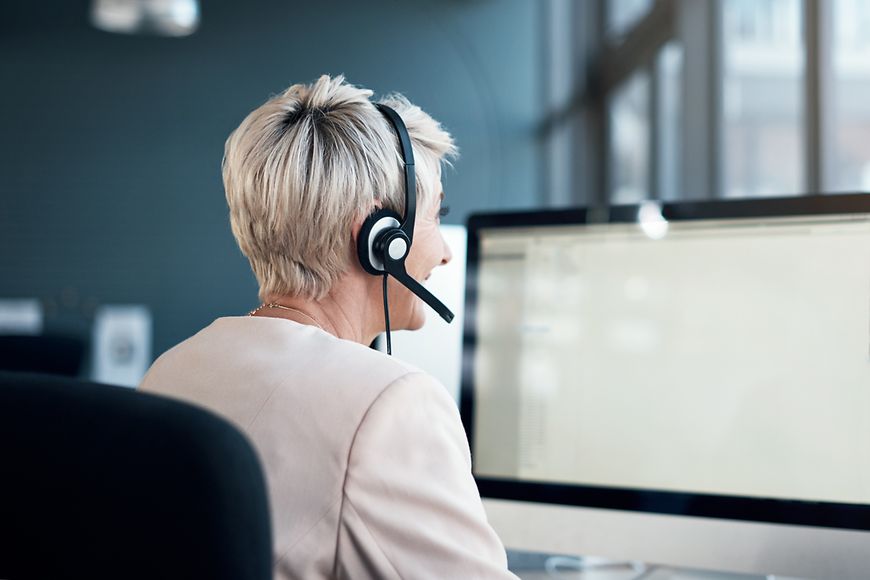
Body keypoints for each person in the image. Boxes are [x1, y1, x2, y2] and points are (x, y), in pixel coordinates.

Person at [139, 75, 518, 579]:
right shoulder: (389, 405)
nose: (447, 252)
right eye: (436, 214)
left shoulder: (172, 370)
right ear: (381, 239)